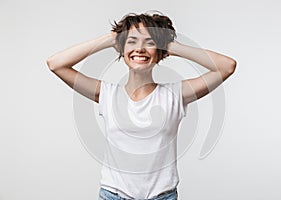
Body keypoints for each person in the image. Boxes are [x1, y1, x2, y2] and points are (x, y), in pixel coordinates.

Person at [46, 12, 236, 200]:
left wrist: (171, 45)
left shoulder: (176, 95)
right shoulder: (107, 94)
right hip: (113, 196)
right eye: (132, 41)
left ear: (160, 51)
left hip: (162, 197)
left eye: (150, 42)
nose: (140, 48)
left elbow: (227, 66)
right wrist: (111, 38)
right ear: (121, 49)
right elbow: (56, 64)